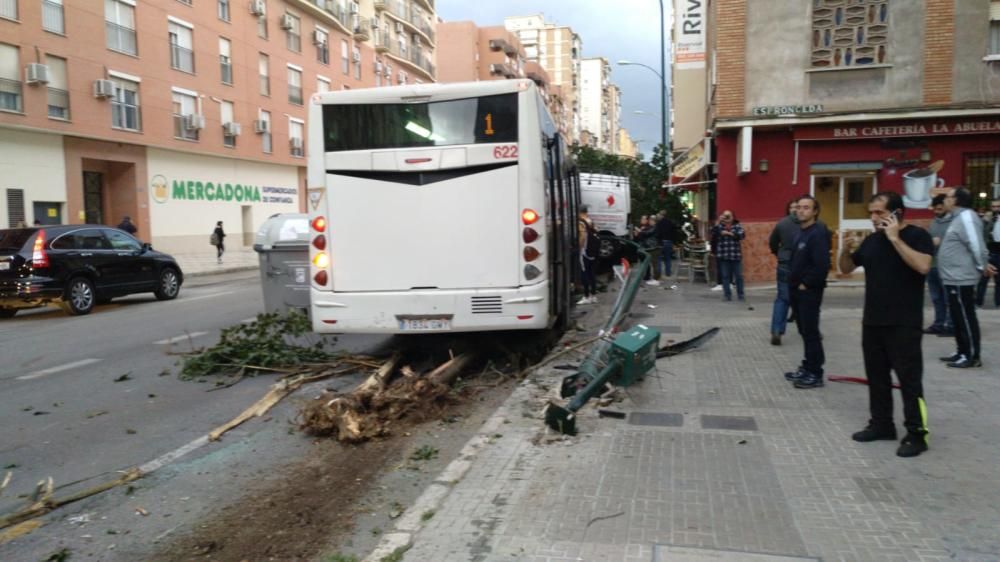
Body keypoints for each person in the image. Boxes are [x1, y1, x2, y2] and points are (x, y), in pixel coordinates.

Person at [839, 192, 933, 458]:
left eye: (879, 212)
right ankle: (881, 424)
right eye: (871, 212)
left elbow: (924, 266)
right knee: (877, 378)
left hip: (904, 323)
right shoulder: (871, 242)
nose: (873, 217)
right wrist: (846, 251)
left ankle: (917, 434)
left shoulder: (917, 236)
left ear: (897, 213)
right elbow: (846, 269)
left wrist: (895, 239)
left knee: (909, 380)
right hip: (873, 322)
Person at [937, 187, 995, 368]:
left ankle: (972, 356)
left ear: (956, 200)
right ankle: (962, 351)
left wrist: (982, 265)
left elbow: (976, 244)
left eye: (947, 196)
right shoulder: (957, 217)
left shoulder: (967, 217)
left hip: (962, 278)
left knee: (965, 316)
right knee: (957, 316)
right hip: (953, 277)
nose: (944, 199)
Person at [785, 195, 830, 389]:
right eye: (798, 207)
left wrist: (806, 284)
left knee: (811, 332)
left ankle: (815, 373)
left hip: (809, 292)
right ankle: (807, 366)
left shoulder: (818, 233)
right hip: (796, 290)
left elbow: (821, 265)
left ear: (815, 211)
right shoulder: (800, 232)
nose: (800, 210)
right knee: (803, 330)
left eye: (806, 207)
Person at [768, 199, 799, 345]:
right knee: (807, 298)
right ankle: (812, 330)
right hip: (802, 265)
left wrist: (779, 253)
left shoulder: (782, 223)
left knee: (782, 298)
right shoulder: (811, 224)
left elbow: (772, 242)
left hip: (785, 262)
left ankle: (776, 330)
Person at [924, 195, 954, 336]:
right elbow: (928, 242)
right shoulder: (933, 223)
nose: (937, 211)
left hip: (947, 266)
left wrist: (941, 242)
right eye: (935, 209)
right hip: (933, 266)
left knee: (948, 298)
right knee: (936, 298)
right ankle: (938, 324)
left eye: (940, 209)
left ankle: (950, 325)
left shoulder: (954, 222)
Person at [710, 210, 745, 301]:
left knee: (738, 276)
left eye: (728, 216)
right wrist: (717, 222)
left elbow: (742, 236)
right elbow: (713, 232)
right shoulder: (720, 226)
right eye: (725, 216)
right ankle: (727, 295)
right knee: (725, 276)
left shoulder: (737, 226)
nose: (727, 218)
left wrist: (729, 233)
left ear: (733, 217)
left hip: (735, 255)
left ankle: (740, 294)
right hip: (723, 255)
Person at [976, 198, 1000, 308]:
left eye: (998, 206)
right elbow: (979, 233)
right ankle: (978, 303)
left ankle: (998, 304)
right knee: (982, 281)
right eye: (994, 206)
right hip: (988, 254)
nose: (996, 209)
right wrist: (985, 221)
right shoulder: (987, 219)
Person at [577, 206, 599, 305]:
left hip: (585, 251)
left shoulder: (581, 222)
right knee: (592, 273)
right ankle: (593, 296)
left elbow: (582, 236)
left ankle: (586, 296)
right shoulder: (590, 221)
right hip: (593, 252)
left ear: (579, 212)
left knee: (584, 273)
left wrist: (579, 247)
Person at [654, 210, 676, 280]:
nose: (658, 216)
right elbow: (673, 232)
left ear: (662, 215)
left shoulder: (659, 223)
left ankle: (659, 274)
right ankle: (668, 273)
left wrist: (657, 240)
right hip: (669, 242)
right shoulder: (670, 222)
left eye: (659, 215)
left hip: (661, 242)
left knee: (659, 258)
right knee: (668, 258)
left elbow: (657, 234)